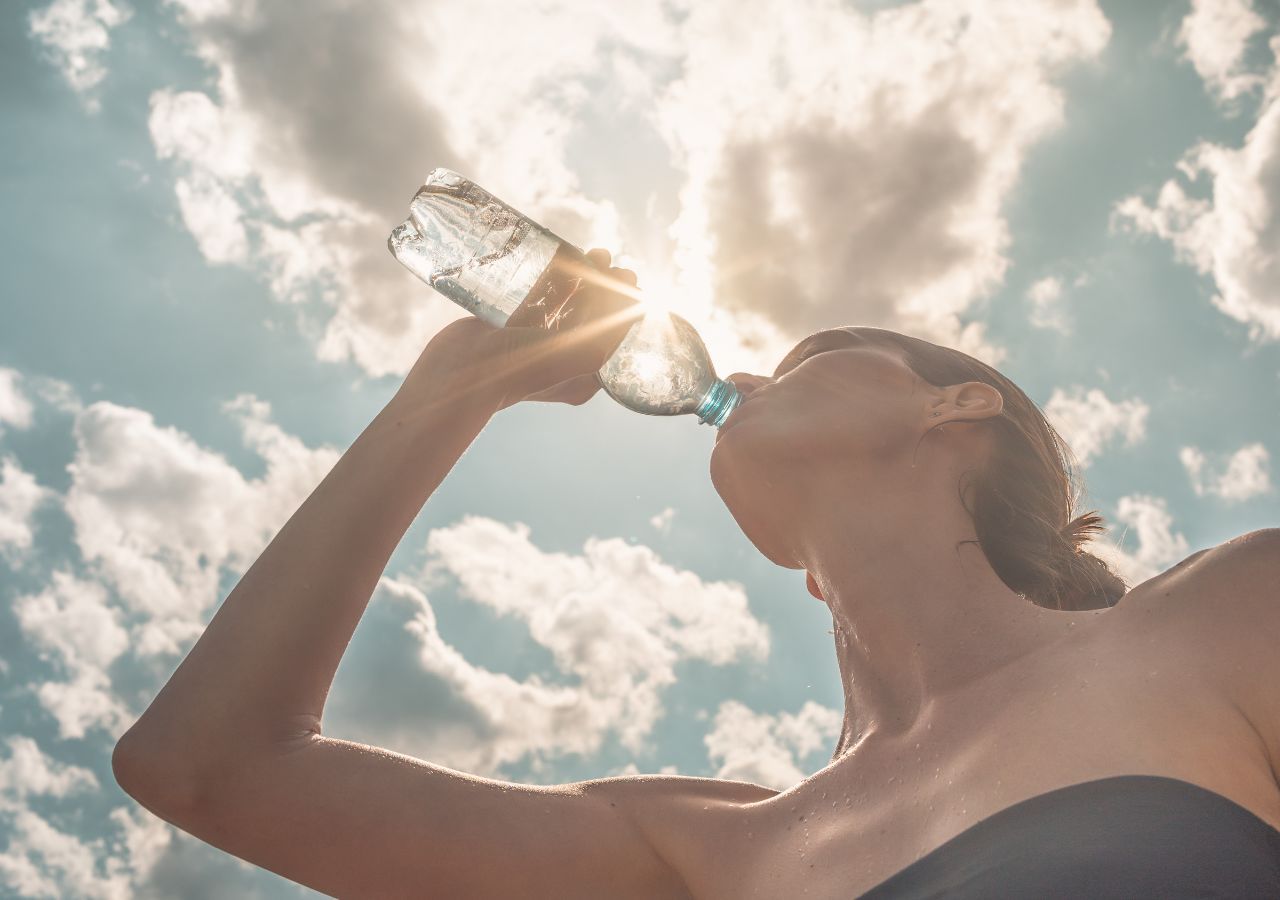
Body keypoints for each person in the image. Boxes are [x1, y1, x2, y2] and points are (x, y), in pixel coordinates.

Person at [113, 248, 1280, 898]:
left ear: (957, 405)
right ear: (800, 576)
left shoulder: (1221, 618)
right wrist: (441, 399)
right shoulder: (702, 849)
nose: (754, 380)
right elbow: (207, 766)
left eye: (806, 359)